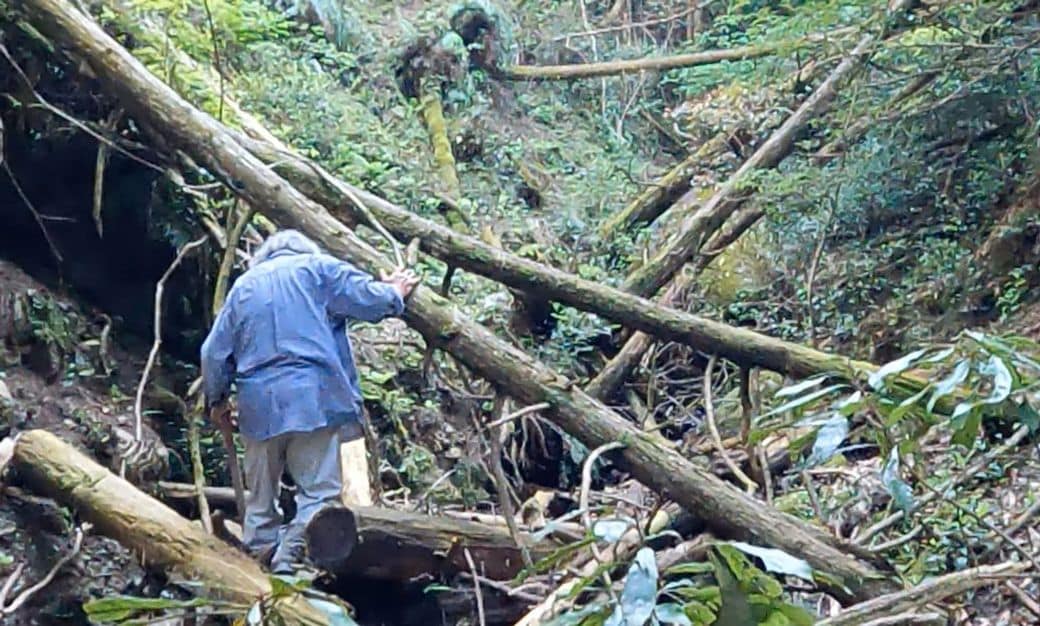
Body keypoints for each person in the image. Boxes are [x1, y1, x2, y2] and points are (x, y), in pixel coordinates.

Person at [200, 230, 419, 574]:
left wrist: (217, 400)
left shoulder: (243, 287)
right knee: (318, 495)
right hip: (312, 398)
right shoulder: (317, 269)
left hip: (258, 406)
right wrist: (394, 291)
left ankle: (260, 567)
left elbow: (213, 353)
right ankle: (291, 558)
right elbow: (367, 298)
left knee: (259, 501)